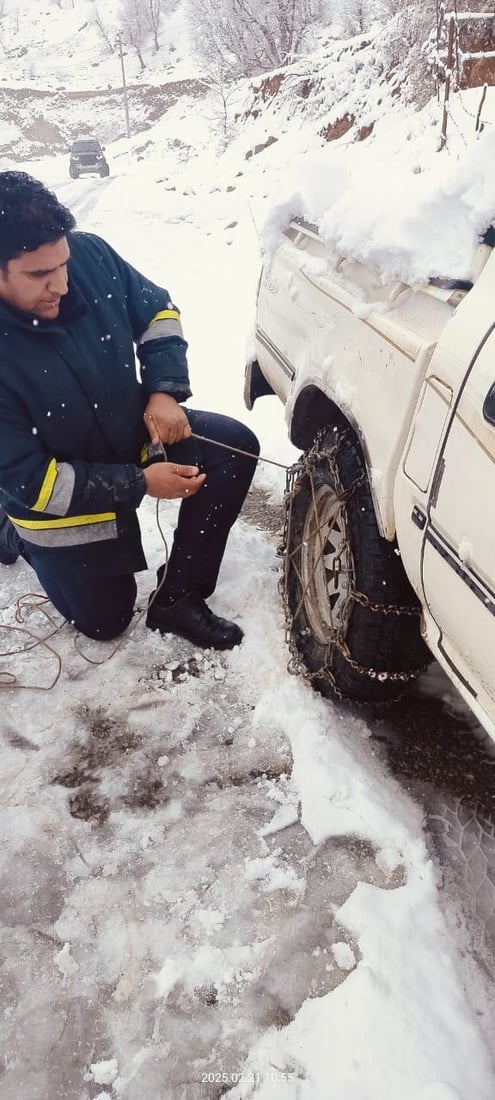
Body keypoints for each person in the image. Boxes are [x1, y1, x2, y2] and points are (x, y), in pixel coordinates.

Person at [0, 171, 259, 649]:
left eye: (62, 263)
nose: (61, 283)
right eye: (39, 274)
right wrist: (138, 483)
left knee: (235, 448)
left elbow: (158, 311)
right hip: (57, 501)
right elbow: (35, 483)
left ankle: (178, 597)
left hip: (128, 431)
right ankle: (13, 533)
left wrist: (164, 391)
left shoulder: (91, 256)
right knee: (105, 622)